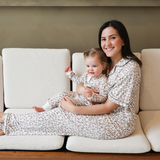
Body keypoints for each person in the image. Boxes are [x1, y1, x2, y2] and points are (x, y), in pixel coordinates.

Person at [0, 20, 142, 140]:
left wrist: (74, 109)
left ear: (123, 40)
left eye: (112, 38)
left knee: (63, 116)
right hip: (97, 109)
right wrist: (80, 89)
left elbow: (108, 107)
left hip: (117, 123)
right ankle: (8, 127)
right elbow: (83, 83)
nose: (107, 43)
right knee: (57, 112)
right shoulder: (104, 63)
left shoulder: (130, 68)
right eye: (103, 39)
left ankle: (6, 119)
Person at [32, 48, 108, 112]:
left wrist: (92, 96)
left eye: (94, 66)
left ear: (103, 66)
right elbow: (79, 81)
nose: (90, 69)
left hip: (87, 103)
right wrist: (70, 73)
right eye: (88, 66)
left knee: (67, 101)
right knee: (63, 93)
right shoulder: (86, 75)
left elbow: (104, 97)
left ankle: (55, 106)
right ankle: (44, 108)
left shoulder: (103, 81)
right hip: (78, 95)